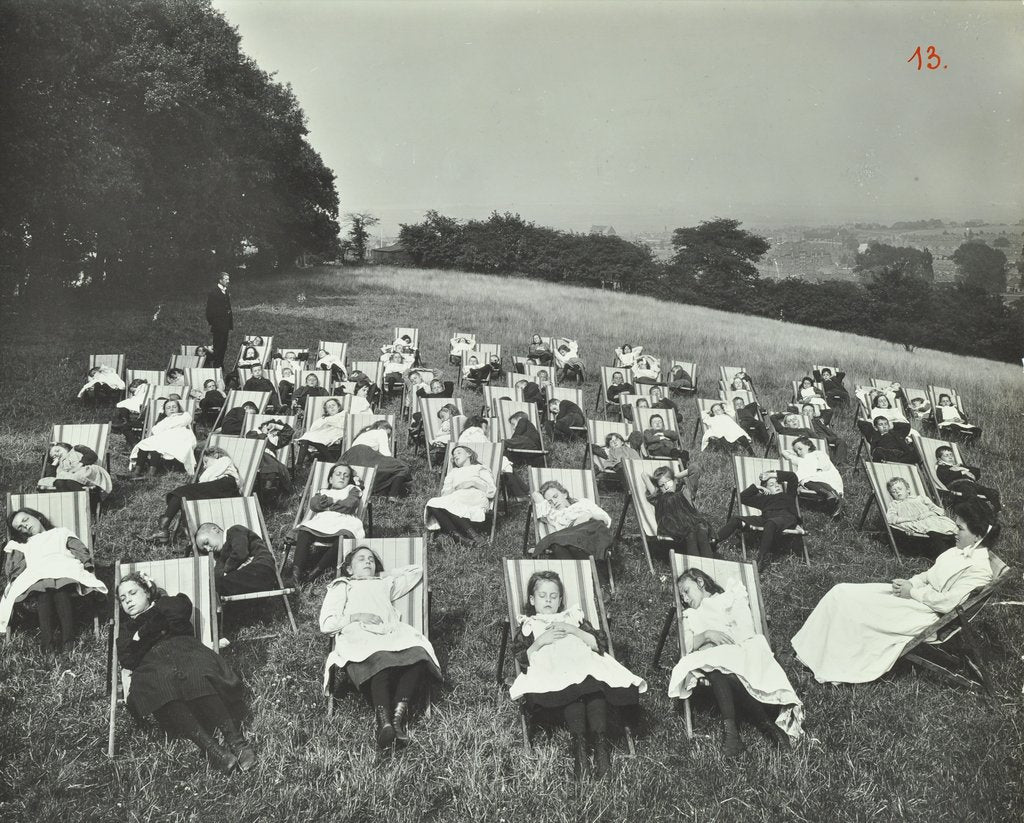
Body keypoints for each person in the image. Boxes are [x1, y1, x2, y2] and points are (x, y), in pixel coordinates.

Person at [792, 497, 998, 684]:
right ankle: (808, 652)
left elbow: (949, 604)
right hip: (918, 598)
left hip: (926, 615)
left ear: (977, 536)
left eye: (960, 529)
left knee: (854, 609)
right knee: (841, 592)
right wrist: (909, 584)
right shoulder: (959, 551)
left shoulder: (979, 570)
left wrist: (913, 593)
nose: (955, 532)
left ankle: (832, 664)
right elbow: (929, 574)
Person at [509, 570, 646, 778]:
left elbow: (598, 644)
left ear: (561, 599)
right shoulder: (529, 625)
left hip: (583, 663)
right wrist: (540, 641)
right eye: (542, 596)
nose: (548, 600)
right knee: (574, 689)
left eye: (553, 596)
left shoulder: (572, 617)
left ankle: (602, 752)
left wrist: (572, 629)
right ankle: (580, 751)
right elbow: (522, 657)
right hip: (554, 669)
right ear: (532, 599)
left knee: (593, 687)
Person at [116, 573, 254, 774]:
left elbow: (182, 607)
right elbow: (127, 658)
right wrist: (154, 629)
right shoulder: (127, 629)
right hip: (151, 664)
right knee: (159, 686)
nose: (128, 599)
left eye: (133, 592)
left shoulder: (166, 605)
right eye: (122, 598)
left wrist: (144, 633)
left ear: (147, 593)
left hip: (185, 650)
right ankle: (214, 752)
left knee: (195, 673)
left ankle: (237, 742)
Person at [668, 568, 802, 756]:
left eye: (686, 591)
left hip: (737, 651)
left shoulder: (728, 598)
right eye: (681, 596)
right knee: (716, 667)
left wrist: (727, 639)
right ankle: (760, 728)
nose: (684, 599)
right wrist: (707, 634)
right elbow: (685, 645)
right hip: (711, 658)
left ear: (700, 582)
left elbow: (745, 627)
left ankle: (737, 736)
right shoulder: (690, 615)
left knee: (721, 667)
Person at [319, 546, 442, 749]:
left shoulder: (385, 583)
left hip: (388, 632)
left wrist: (385, 573)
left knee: (419, 654)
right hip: (359, 633)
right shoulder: (342, 585)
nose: (368, 562)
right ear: (349, 569)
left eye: (371, 559)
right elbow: (327, 624)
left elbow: (416, 571)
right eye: (361, 559)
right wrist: (356, 617)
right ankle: (383, 721)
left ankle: (395, 721)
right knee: (379, 660)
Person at [1, 508, 107, 649]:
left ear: (37, 516)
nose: (25, 526)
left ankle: (68, 641)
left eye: (25, 520)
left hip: (63, 567)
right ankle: (47, 644)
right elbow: (18, 565)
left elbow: (77, 548)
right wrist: (13, 579)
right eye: (20, 527)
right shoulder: (26, 544)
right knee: (43, 593)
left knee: (61, 590)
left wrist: (87, 564)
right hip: (39, 573)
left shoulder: (61, 533)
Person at [146, 447, 240, 544]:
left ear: (215, 456)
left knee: (181, 492)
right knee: (182, 495)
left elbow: (205, 478)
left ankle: (166, 531)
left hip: (225, 486)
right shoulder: (221, 466)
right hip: (219, 487)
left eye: (206, 461)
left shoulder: (224, 460)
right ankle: (176, 533)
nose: (204, 466)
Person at [291, 464, 366, 584]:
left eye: (346, 476)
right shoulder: (323, 491)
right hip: (322, 521)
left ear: (349, 480)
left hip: (344, 521)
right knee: (304, 531)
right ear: (331, 479)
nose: (342, 477)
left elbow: (349, 505)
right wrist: (337, 502)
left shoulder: (352, 489)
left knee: (344, 536)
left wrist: (327, 504)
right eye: (338, 474)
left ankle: (315, 572)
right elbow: (314, 504)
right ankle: (296, 574)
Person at [717, 470, 801, 570]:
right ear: (766, 489)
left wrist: (772, 475)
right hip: (766, 518)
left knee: (770, 523)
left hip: (786, 517)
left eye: (778, 483)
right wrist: (757, 488)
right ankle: (713, 541)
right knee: (736, 519)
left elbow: (792, 477)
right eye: (772, 484)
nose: (777, 485)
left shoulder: (789, 495)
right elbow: (742, 498)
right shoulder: (763, 499)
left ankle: (761, 560)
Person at [424, 445, 496, 548]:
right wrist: (456, 489)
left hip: (475, 496)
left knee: (448, 503)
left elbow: (492, 490)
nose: (455, 456)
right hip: (457, 497)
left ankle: (473, 536)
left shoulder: (480, 468)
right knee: (432, 503)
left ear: (469, 454)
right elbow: (445, 493)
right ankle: (461, 538)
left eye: (459, 452)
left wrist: (473, 483)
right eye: (453, 455)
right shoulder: (453, 472)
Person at [528, 480, 612, 561]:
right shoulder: (554, 515)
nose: (554, 502)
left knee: (556, 542)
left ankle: (543, 546)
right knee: (558, 546)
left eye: (555, 496)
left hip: (591, 530)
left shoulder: (583, 503)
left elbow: (606, 520)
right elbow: (536, 496)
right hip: (572, 538)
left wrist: (589, 516)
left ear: (564, 494)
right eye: (550, 502)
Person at [642, 465, 714, 556]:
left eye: (668, 483)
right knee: (691, 532)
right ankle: (696, 565)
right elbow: (644, 475)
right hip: (672, 528)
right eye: (662, 486)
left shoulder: (684, 494)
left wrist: (674, 477)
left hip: (689, 524)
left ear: (675, 481)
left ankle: (709, 562)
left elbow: (695, 470)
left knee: (701, 529)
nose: (666, 487)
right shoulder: (658, 498)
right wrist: (667, 480)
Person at [194, 523, 278, 596]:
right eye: (205, 550)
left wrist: (226, 571)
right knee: (216, 585)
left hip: (262, 567)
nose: (208, 549)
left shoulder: (235, 531)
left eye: (206, 543)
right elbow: (217, 575)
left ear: (215, 530)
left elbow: (240, 553)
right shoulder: (221, 556)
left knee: (220, 585)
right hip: (249, 579)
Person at [339, 421, 413, 501]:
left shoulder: (363, 434)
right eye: (388, 434)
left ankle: (383, 492)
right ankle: (392, 495)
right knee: (402, 467)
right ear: (379, 428)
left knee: (386, 469)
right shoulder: (381, 432)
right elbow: (386, 453)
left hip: (349, 459)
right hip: (363, 455)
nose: (388, 437)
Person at [884, 477, 957, 556]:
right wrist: (909, 519)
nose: (897, 492)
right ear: (891, 495)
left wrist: (929, 513)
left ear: (908, 490)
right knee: (934, 534)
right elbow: (890, 519)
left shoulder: (920, 498)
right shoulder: (894, 504)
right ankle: (944, 556)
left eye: (900, 488)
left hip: (932, 519)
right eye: (893, 491)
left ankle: (958, 547)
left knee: (952, 531)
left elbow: (939, 510)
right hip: (917, 524)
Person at [130, 398, 197, 478]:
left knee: (158, 446)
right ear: (165, 411)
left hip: (179, 438)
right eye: (168, 408)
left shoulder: (184, 415)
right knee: (144, 444)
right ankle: (137, 471)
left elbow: (182, 422)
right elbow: (155, 429)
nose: (171, 409)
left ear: (178, 408)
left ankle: (151, 474)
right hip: (165, 438)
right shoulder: (165, 419)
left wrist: (166, 427)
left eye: (174, 407)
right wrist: (165, 423)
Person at [37, 443, 113, 509]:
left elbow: (92, 455)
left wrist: (79, 465)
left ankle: (87, 505)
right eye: (54, 456)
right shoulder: (60, 464)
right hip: (70, 477)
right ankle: (73, 506)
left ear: (64, 446)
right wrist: (55, 462)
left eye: (57, 450)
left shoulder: (76, 449)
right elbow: (51, 476)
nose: (57, 454)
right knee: (58, 482)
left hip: (85, 471)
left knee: (70, 479)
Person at [780, 436, 843, 517]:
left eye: (800, 449)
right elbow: (784, 453)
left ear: (808, 445)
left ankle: (834, 496)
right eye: (796, 451)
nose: (798, 452)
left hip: (825, 474)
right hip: (812, 479)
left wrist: (818, 470)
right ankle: (831, 495)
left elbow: (825, 464)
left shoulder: (818, 453)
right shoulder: (800, 460)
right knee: (805, 480)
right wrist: (794, 451)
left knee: (809, 479)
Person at [934, 446, 1000, 512]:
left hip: (971, 484)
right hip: (958, 485)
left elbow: (977, 471)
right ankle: (984, 513)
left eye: (951, 454)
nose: (950, 457)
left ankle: (996, 511)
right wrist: (962, 472)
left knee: (993, 492)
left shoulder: (959, 466)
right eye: (946, 455)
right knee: (971, 495)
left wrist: (965, 469)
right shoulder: (942, 468)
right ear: (939, 459)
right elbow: (946, 478)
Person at [294, 397, 347, 471]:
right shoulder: (325, 418)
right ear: (327, 411)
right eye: (329, 407)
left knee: (313, 439)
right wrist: (325, 420)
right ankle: (299, 465)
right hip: (323, 434)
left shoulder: (343, 414)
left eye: (333, 405)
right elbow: (314, 427)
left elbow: (342, 424)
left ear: (338, 407)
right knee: (306, 438)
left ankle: (330, 460)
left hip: (336, 433)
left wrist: (327, 421)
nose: (331, 407)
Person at [205, 273, 233, 369]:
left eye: (228, 279)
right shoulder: (214, 292)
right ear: (220, 280)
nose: (228, 281)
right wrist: (214, 322)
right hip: (218, 325)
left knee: (224, 346)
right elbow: (209, 310)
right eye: (226, 279)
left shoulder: (225, 291)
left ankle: (220, 363)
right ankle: (216, 364)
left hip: (225, 324)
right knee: (218, 346)